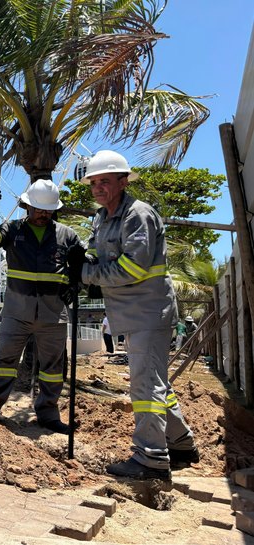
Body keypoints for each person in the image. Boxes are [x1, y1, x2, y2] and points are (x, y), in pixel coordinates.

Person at [67, 150, 199, 481]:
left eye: (105, 181)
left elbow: (132, 267)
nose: (98, 188)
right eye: (94, 182)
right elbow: (103, 258)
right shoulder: (101, 218)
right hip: (130, 311)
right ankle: (181, 444)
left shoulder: (137, 215)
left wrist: (84, 273)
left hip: (149, 311)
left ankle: (151, 458)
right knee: (156, 383)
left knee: (145, 386)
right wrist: (85, 259)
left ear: (123, 181)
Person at [0, 179, 83, 435]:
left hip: (53, 313)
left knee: (53, 369)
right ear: (26, 206)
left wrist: (75, 282)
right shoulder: (12, 230)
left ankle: (48, 414)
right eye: (38, 208)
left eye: (48, 209)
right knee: (3, 361)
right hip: (17, 312)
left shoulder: (67, 235)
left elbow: (84, 265)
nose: (44, 214)